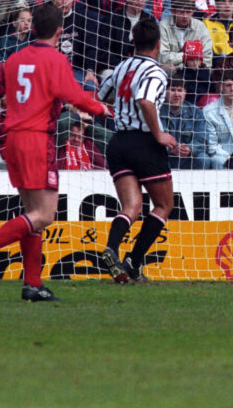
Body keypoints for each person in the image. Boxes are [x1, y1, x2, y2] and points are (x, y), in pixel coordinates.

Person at [0, 3, 111, 301]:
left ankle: (32, 283)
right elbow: (72, 95)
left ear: (33, 29)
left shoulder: (13, 59)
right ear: (59, 32)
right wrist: (100, 107)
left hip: (12, 140)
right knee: (44, 215)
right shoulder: (55, 59)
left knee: (32, 213)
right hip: (36, 140)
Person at [96, 17, 176, 283]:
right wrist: (158, 134)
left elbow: (102, 94)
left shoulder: (122, 67)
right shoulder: (155, 72)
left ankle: (112, 248)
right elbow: (145, 100)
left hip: (119, 142)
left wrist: (123, 101)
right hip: (144, 143)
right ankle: (134, 259)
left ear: (134, 43)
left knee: (131, 206)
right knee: (164, 205)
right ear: (158, 44)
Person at [159, 77, 210, 169]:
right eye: (172, 90)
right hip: (164, 156)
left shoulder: (196, 111)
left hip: (188, 157)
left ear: (185, 92)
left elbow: (201, 139)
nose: (176, 94)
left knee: (203, 158)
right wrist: (171, 149)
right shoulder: (157, 111)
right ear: (165, 92)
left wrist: (189, 148)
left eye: (180, 90)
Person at [158, 0, 213, 73]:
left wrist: (182, 64)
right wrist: (191, 56)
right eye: (181, 12)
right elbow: (162, 57)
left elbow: (207, 58)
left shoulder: (200, 27)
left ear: (193, 12)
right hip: (171, 73)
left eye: (188, 12)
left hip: (196, 72)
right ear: (173, 11)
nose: (185, 16)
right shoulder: (163, 25)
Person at [176, 40, 213, 104]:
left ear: (201, 61)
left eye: (198, 59)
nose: (195, 63)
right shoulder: (180, 74)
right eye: (192, 60)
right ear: (186, 60)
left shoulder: (206, 74)